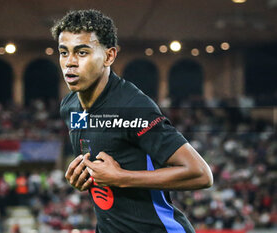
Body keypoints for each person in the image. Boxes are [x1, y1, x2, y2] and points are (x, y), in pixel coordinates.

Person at [52, 9, 213, 233]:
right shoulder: (70, 107)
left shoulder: (132, 108)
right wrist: (82, 177)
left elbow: (200, 173)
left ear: (109, 56)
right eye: (63, 52)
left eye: (82, 53)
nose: (69, 62)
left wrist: (121, 177)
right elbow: (92, 153)